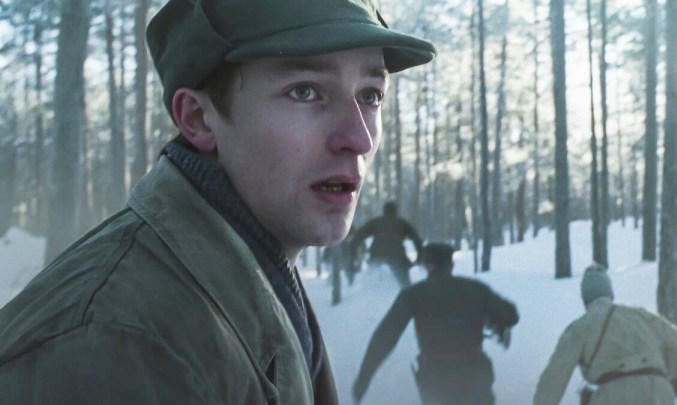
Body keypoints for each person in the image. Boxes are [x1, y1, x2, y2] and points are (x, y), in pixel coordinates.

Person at [0, 0, 435, 403]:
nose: (358, 138)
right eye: (305, 91)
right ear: (197, 118)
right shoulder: (117, 343)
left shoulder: (255, 274)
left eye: (370, 95)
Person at [352, 243, 519, 404]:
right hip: (474, 374)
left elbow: (385, 336)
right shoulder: (475, 288)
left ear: (427, 266)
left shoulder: (413, 294)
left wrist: (364, 378)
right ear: (451, 265)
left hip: (436, 378)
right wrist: (490, 320)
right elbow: (511, 315)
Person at [533, 264, 677, 405]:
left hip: (615, 395)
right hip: (660, 393)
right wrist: (676, 382)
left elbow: (552, 380)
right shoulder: (642, 316)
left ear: (584, 300)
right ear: (611, 294)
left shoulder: (578, 328)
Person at [350, 201, 423, 287]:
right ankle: (406, 295)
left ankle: (370, 293)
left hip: (377, 256)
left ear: (384, 211)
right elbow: (417, 240)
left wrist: (353, 254)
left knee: (372, 283)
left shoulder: (376, 223)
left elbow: (358, 236)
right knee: (405, 285)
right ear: (396, 211)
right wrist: (419, 258)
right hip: (397, 258)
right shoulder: (402, 224)